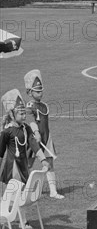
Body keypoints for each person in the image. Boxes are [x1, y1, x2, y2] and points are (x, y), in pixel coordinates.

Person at [24, 69, 63, 199]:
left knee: (50, 163)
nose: (40, 93)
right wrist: (35, 132)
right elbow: (29, 121)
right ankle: (21, 188)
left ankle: (53, 191)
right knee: (27, 164)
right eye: (37, 91)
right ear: (30, 92)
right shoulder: (29, 106)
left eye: (41, 90)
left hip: (46, 138)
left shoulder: (44, 106)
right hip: (33, 139)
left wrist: (45, 137)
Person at [0, 89, 49, 190]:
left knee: (23, 194)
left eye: (24, 113)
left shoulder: (26, 128)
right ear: (12, 115)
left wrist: (43, 159)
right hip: (12, 168)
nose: (24, 116)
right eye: (21, 114)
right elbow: (0, 152)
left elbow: (34, 144)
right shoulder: (7, 132)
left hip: (23, 166)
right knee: (13, 195)